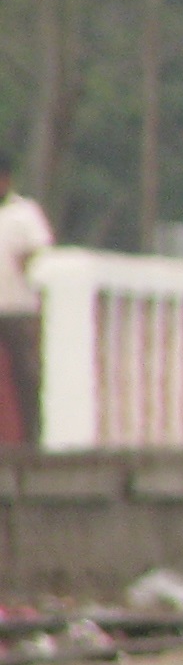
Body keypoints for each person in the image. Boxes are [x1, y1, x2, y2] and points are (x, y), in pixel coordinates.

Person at [0, 154, 55, 446]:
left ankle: (32, 441)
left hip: (19, 308)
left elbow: (40, 252)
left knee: (25, 377)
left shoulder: (24, 214)